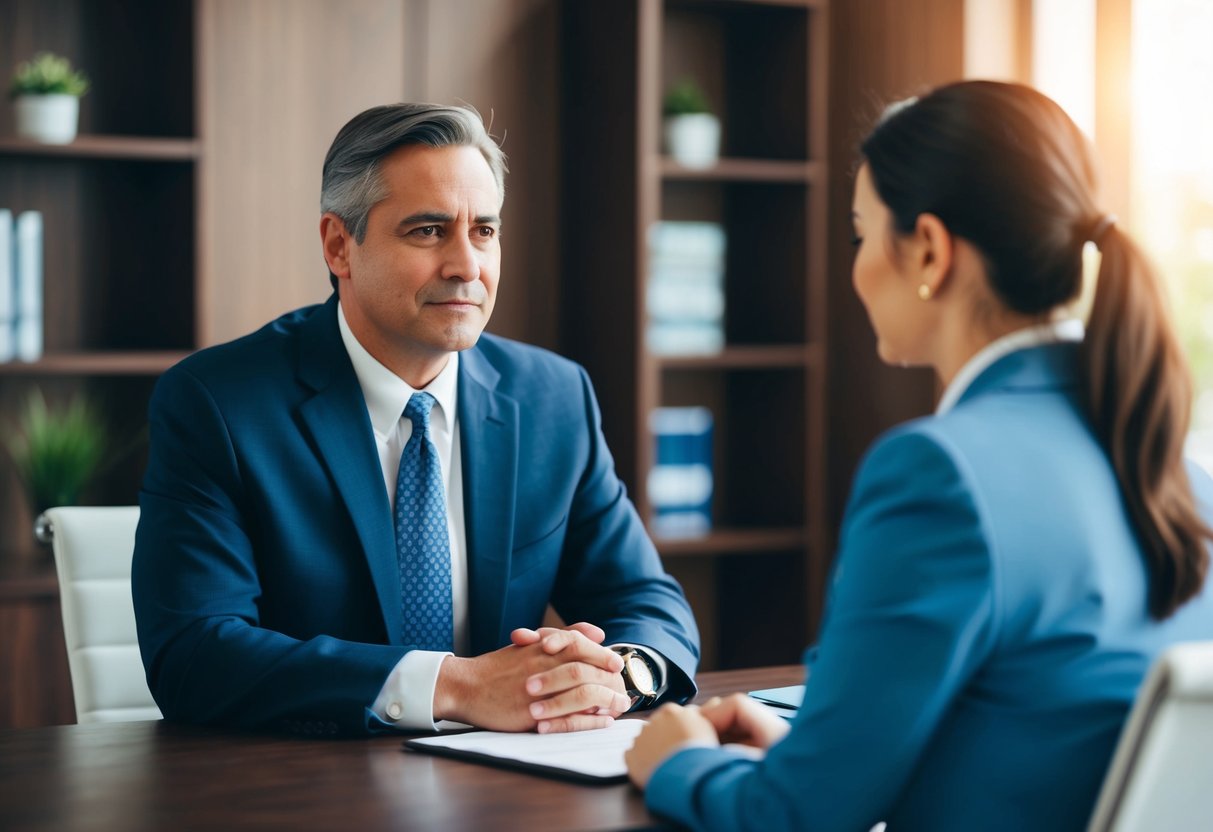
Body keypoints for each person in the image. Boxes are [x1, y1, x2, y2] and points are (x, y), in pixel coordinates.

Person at [624, 80, 1213, 831]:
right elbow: (1041, 736)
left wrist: (678, 761)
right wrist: (820, 754)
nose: (856, 267)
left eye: (860, 234)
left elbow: (793, 819)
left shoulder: (941, 476)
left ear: (929, 250)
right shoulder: (1175, 471)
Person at [132, 103, 699, 737]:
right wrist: (458, 686)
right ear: (339, 246)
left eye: (484, 230)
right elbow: (194, 655)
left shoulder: (553, 397)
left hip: (506, 785)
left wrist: (614, 675)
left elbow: (647, 602)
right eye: (428, 231)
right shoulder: (217, 405)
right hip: (303, 785)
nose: (467, 266)